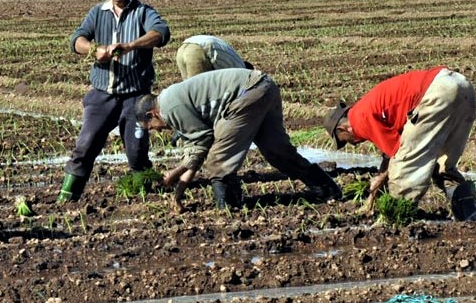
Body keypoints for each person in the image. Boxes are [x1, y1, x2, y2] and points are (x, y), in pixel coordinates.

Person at [136, 68, 342, 213]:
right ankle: (327, 189)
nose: (158, 130)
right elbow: (195, 154)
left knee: (218, 158)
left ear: (151, 114)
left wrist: (171, 175)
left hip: (249, 92)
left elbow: (201, 143)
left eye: (152, 127)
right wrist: (178, 193)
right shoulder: (170, 101)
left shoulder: (170, 108)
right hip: (263, 85)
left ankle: (229, 205)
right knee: (276, 150)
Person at [57, 0, 171, 203]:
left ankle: (146, 196)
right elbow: (77, 39)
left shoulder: (143, 12)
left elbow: (161, 33)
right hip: (102, 95)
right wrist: (93, 49)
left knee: (137, 153)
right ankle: (67, 199)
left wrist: (129, 46)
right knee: (84, 147)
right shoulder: (97, 13)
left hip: (136, 96)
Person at [323, 66, 476, 220]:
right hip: (461, 85)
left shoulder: (359, 119)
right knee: (444, 166)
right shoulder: (367, 108)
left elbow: (396, 153)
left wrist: (378, 181)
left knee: (404, 169)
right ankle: (469, 217)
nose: (353, 145)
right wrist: (375, 190)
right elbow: (389, 154)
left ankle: (398, 218)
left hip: (437, 92)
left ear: (343, 129)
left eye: (345, 141)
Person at [176, 35, 252, 80]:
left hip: (183, 48)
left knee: (187, 91)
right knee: (199, 93)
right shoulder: (241, 71)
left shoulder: (235, 61)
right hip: (198, 51)